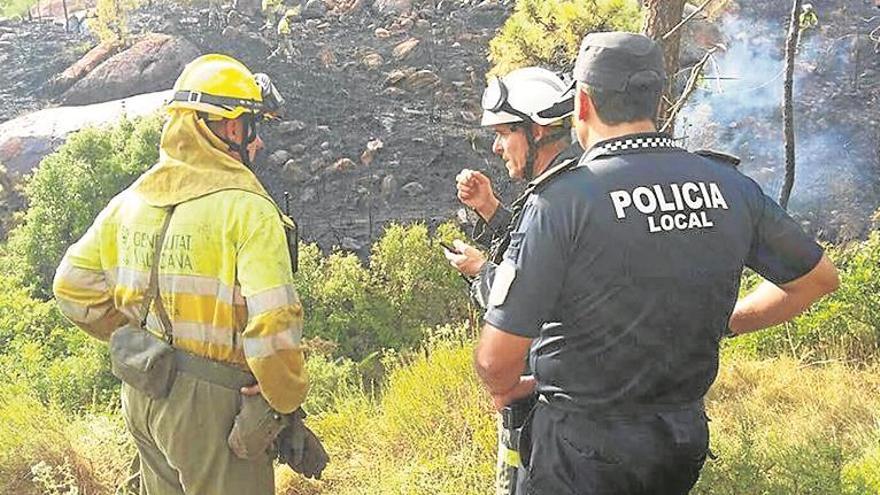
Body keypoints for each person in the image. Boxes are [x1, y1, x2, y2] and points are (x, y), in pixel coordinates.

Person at [468, 32, 840, 495]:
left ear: (582, 102)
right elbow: (818, 279)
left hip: (581, 452)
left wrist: (506, 387)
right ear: (657, 100)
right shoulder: (726, 184)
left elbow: (495, 360)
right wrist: (724, 322)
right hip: (680, 442)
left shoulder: (564, 200)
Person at [52, 54, 327, 494]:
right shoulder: (248, 208)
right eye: (253, 129)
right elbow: (274, 321)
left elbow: (70, 286)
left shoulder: (132, 202)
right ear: (232, 128)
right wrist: (283, 396)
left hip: (144, 388)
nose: (257, 145)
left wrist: (133, 338)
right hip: (215, 408)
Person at [447, 66, 580, 306]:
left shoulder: (558, 201)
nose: (496, 147)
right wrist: (489, 208)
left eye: (503, 133)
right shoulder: (570, 185)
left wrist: (481, 271)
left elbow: (525, 302)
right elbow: (536, 251)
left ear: (537, 131)